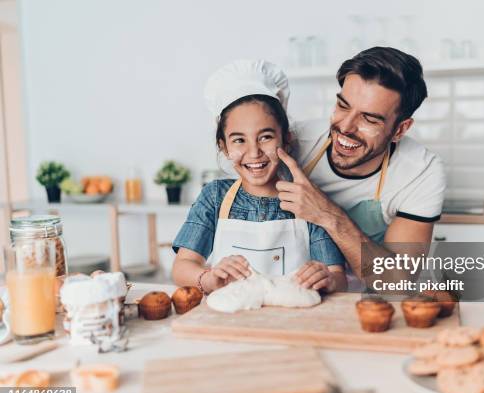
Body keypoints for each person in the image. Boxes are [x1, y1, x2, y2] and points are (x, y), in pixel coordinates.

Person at [220, 47, 446, 284]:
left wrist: (328, 214)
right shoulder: (292, 142)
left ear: (400, 129)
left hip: (366, 298)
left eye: (368, 118)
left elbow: (397, 280)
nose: (346, 127)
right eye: (343, 106)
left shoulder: (421, 171)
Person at [171, 60, 347, 295]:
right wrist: (209, 278)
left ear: (286, 139)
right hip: (230, 322)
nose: (254, 153)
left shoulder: (308, 200)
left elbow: (338, 277)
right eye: (239, 140)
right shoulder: (214, 198)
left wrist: (327, 279)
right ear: (223, 147)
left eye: (265, 137)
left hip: (291, 323)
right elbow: (182, 267)